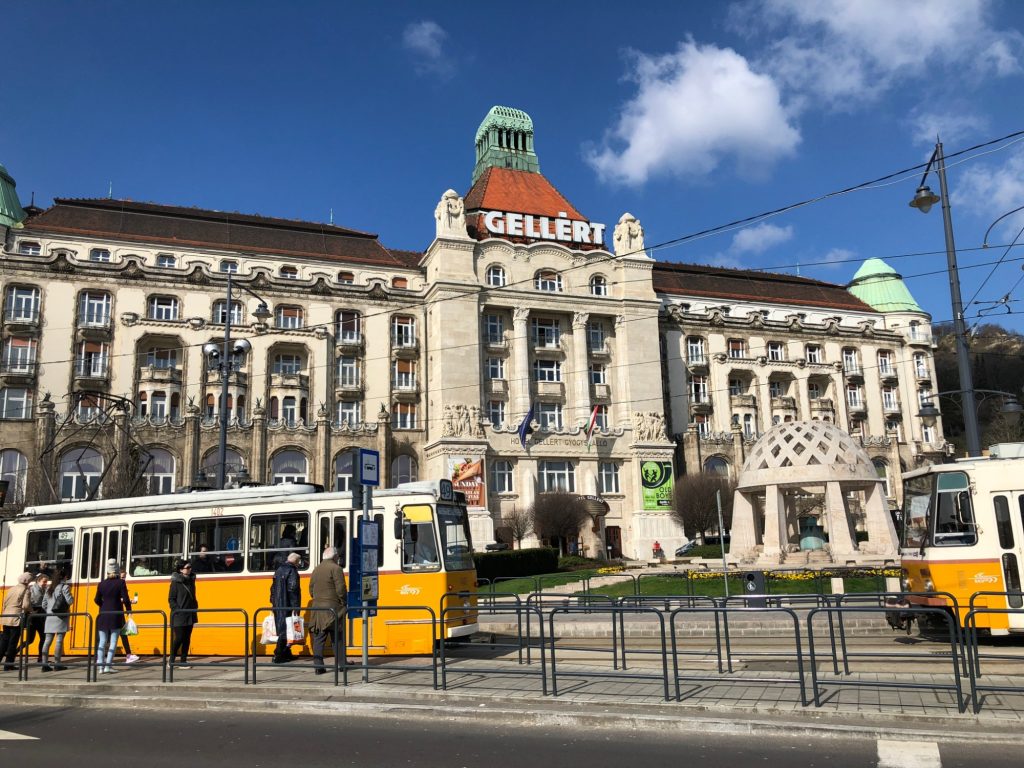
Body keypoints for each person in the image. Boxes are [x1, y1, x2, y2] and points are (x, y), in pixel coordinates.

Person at [308, 547, 346, 674]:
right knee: (337, 638)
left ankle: (319, 667)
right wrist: (343, 601)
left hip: (318, 609)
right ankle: (341, 665)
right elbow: (341, 589)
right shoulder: (336, 568)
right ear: (335, 556)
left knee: (319, 638)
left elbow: (311, 590)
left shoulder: (316, 569)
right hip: (333, 609)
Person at [94, 562, 132, 674]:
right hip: (116, 613)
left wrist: (104, 605)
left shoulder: (101, 584)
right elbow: (125, 599)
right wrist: (129, 611)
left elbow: (96, 599)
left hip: (103, 614)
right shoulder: (121, 583)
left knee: (102, 641)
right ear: (117, 572)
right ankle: (108, 666)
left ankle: (100, 667)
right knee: (113, 641)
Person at [270, 552, 301, 663]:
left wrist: (273, 601)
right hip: (287, 604)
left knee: (285, 629)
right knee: (285, 630)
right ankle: (278, 655)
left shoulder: (279, 570)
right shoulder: (292, 571)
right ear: (296, 562)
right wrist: (296, 607)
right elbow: (293, 589)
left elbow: (272, 588)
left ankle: (287, 652)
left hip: (278, 604)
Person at [41, 569, 74, 672]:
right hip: (61, 617)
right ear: (64, 577)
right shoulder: (64, 587)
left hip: (50, 617)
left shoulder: (49, 588)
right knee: (59, 640)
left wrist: (49, 611)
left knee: (47, 641)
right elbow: (70, 601)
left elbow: (43, 604)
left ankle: (44, 664)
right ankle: (57, 663)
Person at [168, 559, 198, 668]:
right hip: (179, 614)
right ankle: (171, 659)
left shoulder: (191, 581)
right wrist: (177, 609)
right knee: (179, 638)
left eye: (190, 567)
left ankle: (183, 661)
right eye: (187, 568)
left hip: (190, 613)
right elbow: (171, 599)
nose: (190, 569)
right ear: (181, 570)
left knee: (187, 638)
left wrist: (195, 607)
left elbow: (193, 597)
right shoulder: (175, 583)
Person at [0, 572, 34, 671]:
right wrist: (32, 611)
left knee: (4, 641)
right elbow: (25, 605)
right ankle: (8, 664)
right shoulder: (25, 590)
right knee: (13, 642)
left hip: (6, 616)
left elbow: (4, 603)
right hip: (16, 618)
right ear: (27, 581)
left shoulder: (11, 589)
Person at [17, 572, 50, 663]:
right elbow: (29, 602)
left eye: (46, 582)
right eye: (44, 581)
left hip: (38, 616)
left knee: (42, 637)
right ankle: (14, 652)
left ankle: (41, 658)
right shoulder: (32, 589)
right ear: (38, 581)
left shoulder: (43, 589)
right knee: (30, 640)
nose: (45, 583)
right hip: (34, 616)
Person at [117, 567, 140, 664]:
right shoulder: (119, 584)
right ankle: (128, 655)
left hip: (116, 612)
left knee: (120, 634)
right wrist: (129, 609)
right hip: (117, 612)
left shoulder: (114, 584)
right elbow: (121, 599)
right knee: (121, 634)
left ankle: (128, 655)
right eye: (122, 577)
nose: (124, 579)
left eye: (124, 577)